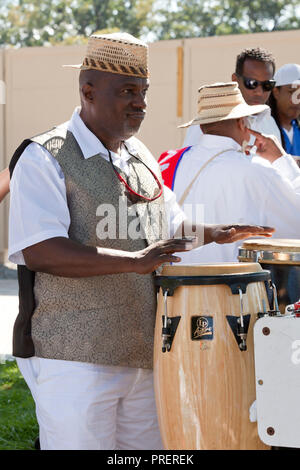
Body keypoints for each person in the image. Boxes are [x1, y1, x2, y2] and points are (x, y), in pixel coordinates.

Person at [8, 33, 273, 451]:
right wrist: (134, 261)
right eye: (128, 92)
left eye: (144, 92)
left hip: (145, 354)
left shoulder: (141, 156)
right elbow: (41, 249)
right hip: (73, 358)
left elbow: (167, 231)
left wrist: (213, 233)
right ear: (88, 91)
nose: (141, 103)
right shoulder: (45, 155)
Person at [158, 81, 300, 264]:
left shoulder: (167, 163)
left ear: (202, 127)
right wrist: (281, 160)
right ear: (242, 123)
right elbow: (296, 222)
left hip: (172, 287)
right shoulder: (256, 169)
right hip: (231, 288)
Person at [183, 47, 281, 147]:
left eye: (267, 85)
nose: (259, 92)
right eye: (251, 83)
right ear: (235, 80)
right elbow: (190, 160)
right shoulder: (210, 122)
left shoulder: (270, 124)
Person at [268, 63, 300, 160]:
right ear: (276, 92)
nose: (297, 100)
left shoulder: (297, 128)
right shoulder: (264, 128)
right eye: (291, 92)